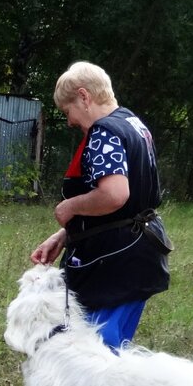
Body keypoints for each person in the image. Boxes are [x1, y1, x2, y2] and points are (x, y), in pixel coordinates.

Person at [31, 61, 170, 350]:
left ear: (84, 96)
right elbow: (127, 206)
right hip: (137, 255)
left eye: (67, 111)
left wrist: (67, 208)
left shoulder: (104, 132)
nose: (69, 121)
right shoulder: (132, 122)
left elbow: (114, 196)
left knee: (98, 357)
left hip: (115, 262)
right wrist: (64, 235)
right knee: (111, 353)